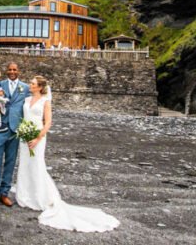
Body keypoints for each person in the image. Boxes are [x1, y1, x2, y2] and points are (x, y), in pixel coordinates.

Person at [14, 76, 120, 232]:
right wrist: (23, 132)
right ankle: (25, 195)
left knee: (37, 164)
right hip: (24, 136)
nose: (30, 85)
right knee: (25, 164)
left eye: (33, 84)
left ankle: (39, 197)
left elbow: (48, 122)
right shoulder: (26, 99)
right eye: (31, 83)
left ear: (40, 87)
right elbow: (23, 116)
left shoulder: (45, 101)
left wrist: (37, 138)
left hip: (38, 135)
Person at [0, 62, 28, 208]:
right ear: (6, 71)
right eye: (9, 69)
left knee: (10, 162)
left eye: (14, 69)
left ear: (18, 71)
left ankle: (4, 194)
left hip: (15, 130)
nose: (12, 71)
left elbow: (32, 103)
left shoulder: (25, 87)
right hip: (0, 127)